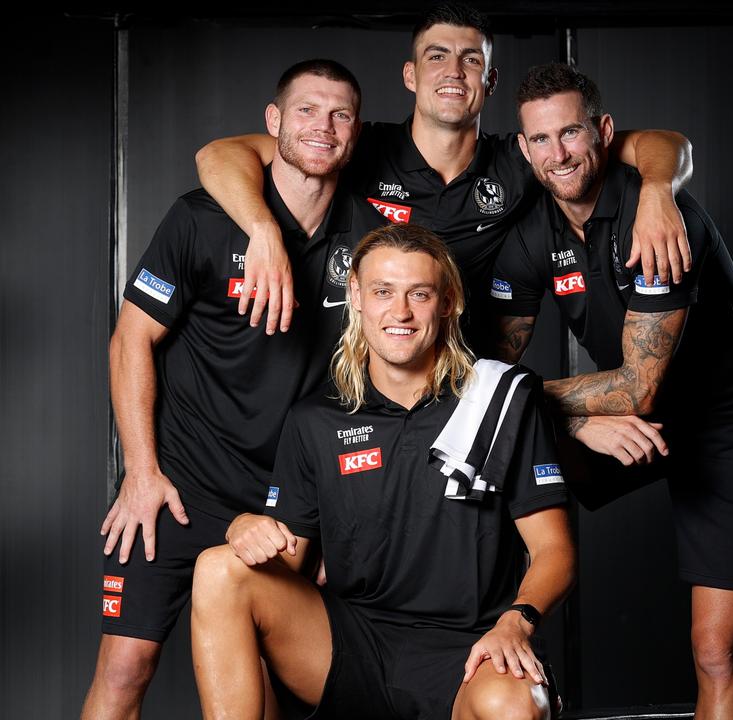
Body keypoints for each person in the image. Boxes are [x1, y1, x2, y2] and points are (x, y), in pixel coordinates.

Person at [80, 59, 384, 719]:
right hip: (174, 491)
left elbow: (376, 382)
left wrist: (336, 518)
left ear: (356, 133)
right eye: (305, 110)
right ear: (272, 122)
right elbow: (131, 339)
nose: (321, 127)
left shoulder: (368, 238)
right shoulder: (200, 220)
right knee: (125, 669)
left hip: (282, 509)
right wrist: (140, 473)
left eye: (339, 115)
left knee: (264, 688)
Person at [488, 63, 733, 719]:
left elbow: (640, 385)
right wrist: (565, 421)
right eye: (539, 140)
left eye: (570, 133)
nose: (557, 154)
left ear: (602, 131)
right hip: (623, 416)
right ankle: (491, 658)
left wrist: (536, 401)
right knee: (487, 458)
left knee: (716, 649)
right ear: (521, 147)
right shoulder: (528, 230)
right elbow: (489, 382)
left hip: (725, 421)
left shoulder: (654, 215)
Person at [191, 223, 576, 720]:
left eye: (419, 294)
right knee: (219, 570)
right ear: (356, 296)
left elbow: (555, 550)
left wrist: (516, 622)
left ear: (447, 301)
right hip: (350, 645)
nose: (400, 312)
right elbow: (288, 569)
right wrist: (245, 530)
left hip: (471, 648)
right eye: (382, 292)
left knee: (516, 706)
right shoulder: (316, 420)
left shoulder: (500, 401)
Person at [194, 2, 694, 351]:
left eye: (471, 59)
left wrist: (657, 191)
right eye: (437, 56)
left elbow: (661, 142)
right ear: (411, 75)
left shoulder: (524, 157)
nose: (454, 71)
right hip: (371, 368)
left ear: (489, 81)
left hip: (472, 372)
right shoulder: (356, 147)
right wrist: (262, 230)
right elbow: (220, 153)